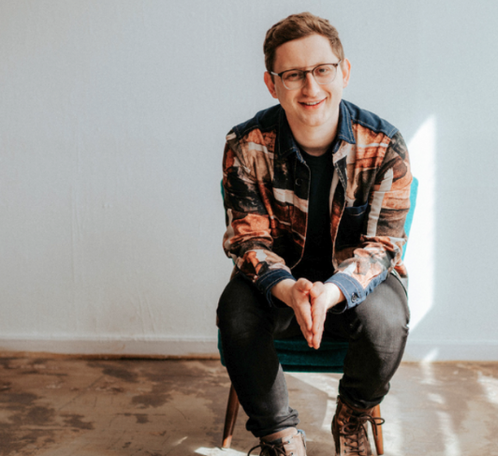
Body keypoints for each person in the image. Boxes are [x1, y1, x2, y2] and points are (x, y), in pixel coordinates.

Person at [217, 12, 412, 456]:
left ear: (344, 72)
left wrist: (332, 291)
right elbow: (248, 240)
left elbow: (383, 246)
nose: (310, 87)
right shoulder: (246, 144)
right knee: (237, 315)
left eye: (322, 69)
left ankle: (354, 414)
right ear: (272, 84)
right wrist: (289, 289)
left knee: (387, 321)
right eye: (293, 75)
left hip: (356, 284)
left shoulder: (383, 144)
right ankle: (280, 438)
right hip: (277, 284)